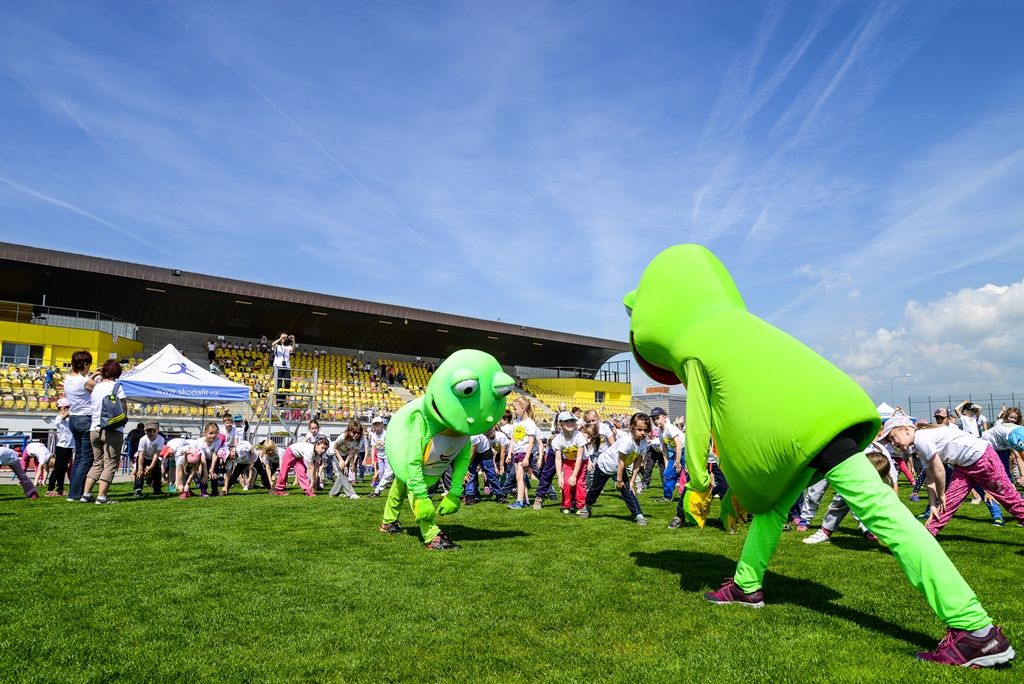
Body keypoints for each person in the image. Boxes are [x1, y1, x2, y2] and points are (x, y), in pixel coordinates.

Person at [624, 244, 1015, 667]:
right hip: (828, 418)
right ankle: (745, 583)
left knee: (890, 518)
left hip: (813, 432)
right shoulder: (741, 324)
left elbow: (701, 426)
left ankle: (976, 630)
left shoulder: (695, 343)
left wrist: (699, 484)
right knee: (773, 511)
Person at [379, 349, 514, 549]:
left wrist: (454, 492)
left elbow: (462, 459)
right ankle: (431, 534)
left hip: (431, 464)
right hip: (417, 464)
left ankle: (388, 522)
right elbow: (413, 461)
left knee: (399, 485)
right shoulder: (422, 420)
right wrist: (423, 498)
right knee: (413, 486)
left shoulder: (463, 431)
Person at [883, 414, 1024, 537]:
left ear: (906, 429)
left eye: (892, 437)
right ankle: (926, 536)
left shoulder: (921, 438)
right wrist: (933, 504)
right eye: (890, 441)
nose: (893, 443)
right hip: (963, 466)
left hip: (982, 459)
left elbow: (939, 470)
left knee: (1010, 499)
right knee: (948, 504)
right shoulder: (919, 444)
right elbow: (930, 477)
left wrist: (941, 494)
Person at [579, 412, 649, 525]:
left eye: (645, 430)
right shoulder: (627, 441)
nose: (643, 433)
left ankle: (638, 515)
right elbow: (621, 462)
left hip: (618, 469)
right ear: (632, 428)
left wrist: (632, 481)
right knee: (595, 490)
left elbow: (638, 462)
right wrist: (619, 480)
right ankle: (587, 507)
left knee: (628, 491)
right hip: (604, 465)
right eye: (639, 429)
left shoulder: (643, 443)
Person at [79, 360, 127, 505]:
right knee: (110, 462)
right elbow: (123, 407)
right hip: (112, 429)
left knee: (97, 462)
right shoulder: (117, 386)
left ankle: (86, 494)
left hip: (94, 428)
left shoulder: (96, 387)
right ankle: (102, 496)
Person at [64, 350, 98, 502]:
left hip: (74, 418)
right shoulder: (84, 382)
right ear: (85, 364)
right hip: (86, 418)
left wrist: (92, 375)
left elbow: (83, 383)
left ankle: (74, 491)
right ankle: (76, 493)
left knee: (78, 458)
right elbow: (99, 390)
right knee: (86, 459)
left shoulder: (68, 379)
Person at [551, 412, 590, 515]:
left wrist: (574, 475)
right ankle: (566, 505)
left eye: (572, 421)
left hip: (581, 462)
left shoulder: (579, 436)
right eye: (566, 421)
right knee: (566, 483)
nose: (570, 423)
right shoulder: (557, 439)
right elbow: (558, 459)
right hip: (567, 463)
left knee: (579, 484)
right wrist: (559, 477)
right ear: (560, 424)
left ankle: (581, 507)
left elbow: (579, 458)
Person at [507, 397, 538, 510]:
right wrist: (509, 453)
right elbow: (513, 439)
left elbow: (531, 442)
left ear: (523, 407)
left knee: (519, 476)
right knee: (520, 477)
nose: (514, 411)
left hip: (524, 452)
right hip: (516, 452)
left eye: (515, 408)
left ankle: (519, 501)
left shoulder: (529, 423)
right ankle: (525, 500)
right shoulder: (516, 422)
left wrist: (526, 458)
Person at [651, 407, 684, 502]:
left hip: (685, 451)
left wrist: (677, 462)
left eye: (658, 418)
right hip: (676, 453)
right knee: (667, 474)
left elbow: (678, 444)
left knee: (686, 475)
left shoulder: (670, 428)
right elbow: (664, 449)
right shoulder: (661, 432)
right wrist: (667, 465)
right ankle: (667, 497)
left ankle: (687, 497)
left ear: (664, 417)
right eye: (653, 419)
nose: (655, 421)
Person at [329, 420, 364, 498]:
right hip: (336, 454)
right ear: (349, 430)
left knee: (344, 472)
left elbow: (352, 452)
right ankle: (351, 493)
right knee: (343, 473)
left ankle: (333, 493)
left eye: (359, 433)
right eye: (354, 432)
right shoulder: (342, 437)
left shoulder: (359, 440)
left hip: (346, 455)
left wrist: (346, 462)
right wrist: (341, 461)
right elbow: (335, 448)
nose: (356, 435)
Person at [47, 397, 74, 496]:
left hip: (69, 447)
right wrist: (75, 407)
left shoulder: (70, 418)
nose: (66, 409)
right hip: (62, 447)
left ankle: (60, 489)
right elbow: (64, 417)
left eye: (68, 407)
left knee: (63, 469)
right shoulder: (59, 418)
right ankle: (50, 489)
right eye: (65, 407)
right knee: (58, 469)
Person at [132, 421, 165, 498]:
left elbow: (157, 454)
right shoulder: (143, 440)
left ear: (158, 430)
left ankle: (157, 489)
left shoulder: (160, 439)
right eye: (149, 431)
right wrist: (140, 469)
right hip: (142, 458)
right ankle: (138, 490)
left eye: (154, 430)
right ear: (145, 431)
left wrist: (151, 466)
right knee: (139, 473)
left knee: (157, 473)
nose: (151, 433)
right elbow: (141, 454)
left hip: (153, 458)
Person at [272, 332, 296, 406]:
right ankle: (279, 401)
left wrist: (293, 341)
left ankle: (283, 399)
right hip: (278, 366)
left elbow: (293, 350)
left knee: (288, 383)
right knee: (278, 383)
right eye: (283, 337)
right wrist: (281, 338)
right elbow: (273, 344)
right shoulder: (277, 346)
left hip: (286, 367)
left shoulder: (287, 347)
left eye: (285, 338)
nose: (284, 339)